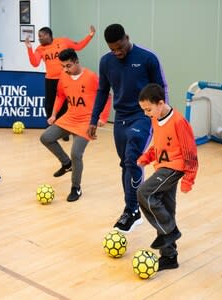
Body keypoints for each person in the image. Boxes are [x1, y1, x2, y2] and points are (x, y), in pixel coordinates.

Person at [88, 24, 168, 233]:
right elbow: (102, 91)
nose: (117, 52)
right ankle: (134, 210)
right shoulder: (106, 62)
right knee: (126, 164)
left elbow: (161, 88)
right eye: (113, 49)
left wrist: (162, 119)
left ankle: (131, 210)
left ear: (127, 38)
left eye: (120, 47)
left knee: (133, 158)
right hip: (121, 118)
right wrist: (93, 119)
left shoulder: (148, 58)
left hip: (143, 117)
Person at [136, 83, 198, 271]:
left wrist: (189, 178)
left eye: (148, 109)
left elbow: (190, 151)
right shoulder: (156, 118)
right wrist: (148, 156)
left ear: (161, 103)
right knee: (165, 208)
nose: (146, 113)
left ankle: (170, 231)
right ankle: (170, 256)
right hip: (161, 166)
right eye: (144, 110)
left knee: (144, 193)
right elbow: (160, 145)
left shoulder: (179, 121)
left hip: (174, 167)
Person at [40, 48, 110, 201]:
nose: (65, 69)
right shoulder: (64, 77)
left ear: (77, 61)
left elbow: (107, 96)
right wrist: (53, 115)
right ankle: (66, 164)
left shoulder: (92, 77)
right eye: (63, 66)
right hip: (69, 118)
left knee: (76, 154)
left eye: (68, 66)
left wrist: (103, 118)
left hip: (86, 121)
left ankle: (76, 188)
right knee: (46, 137)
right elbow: (60, 96)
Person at [25, 25, 96, 131]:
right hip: (50, 80)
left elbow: (79, 46)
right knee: (49, 104)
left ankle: (65, 129)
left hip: (65, 78)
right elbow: (35, 63)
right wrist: (29, 49)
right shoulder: (40, 49)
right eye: (38, 37)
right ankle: (52, 127)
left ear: (48, 35)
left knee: (65, 105)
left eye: (41, 36)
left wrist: (90, 36)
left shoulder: (63, 41)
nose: (39, 38)